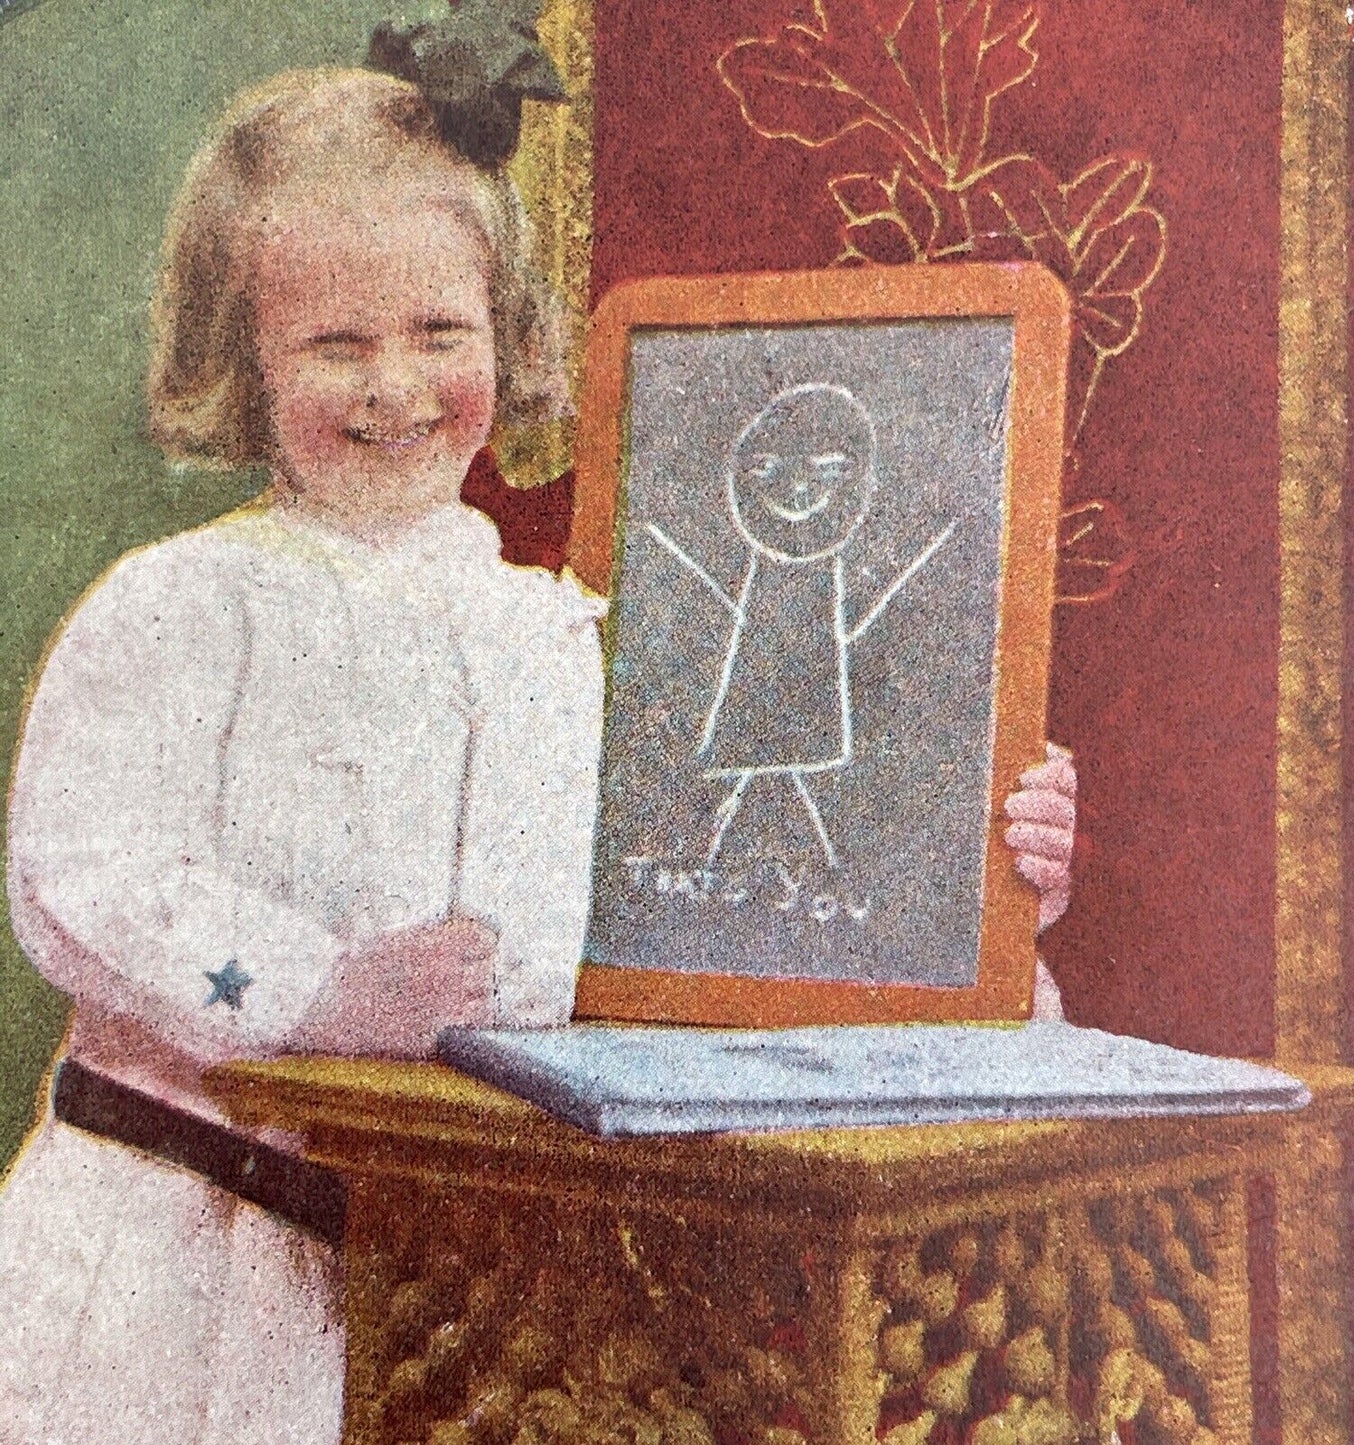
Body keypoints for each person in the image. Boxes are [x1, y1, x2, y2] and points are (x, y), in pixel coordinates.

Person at [0, 66, 1075, 1445]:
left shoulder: (566, 634)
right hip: (180, 1256)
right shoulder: (182, 608)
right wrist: (306, 987)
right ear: (241, 355)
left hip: (459, 1295)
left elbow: (715, 890)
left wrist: (973, 890)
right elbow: (85, 874)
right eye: (335, 343)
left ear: (504, 338)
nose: (395, 385)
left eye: (438, 329)